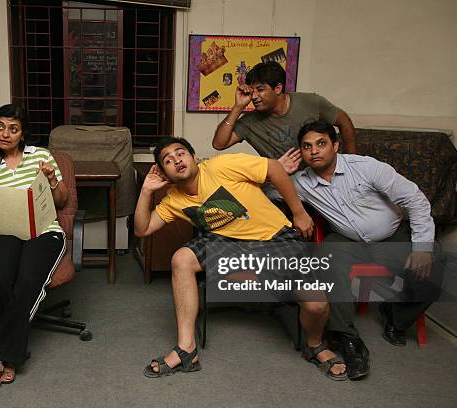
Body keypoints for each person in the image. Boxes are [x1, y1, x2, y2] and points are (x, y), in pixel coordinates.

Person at [135, 136, 349, 381]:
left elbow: (275, 168)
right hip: (226, 244)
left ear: (194, 158)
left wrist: (299, 212)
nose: (177, 160)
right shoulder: (173, 200)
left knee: (317, 305)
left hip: (275, 238)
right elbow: (143, 229)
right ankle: (187, 350)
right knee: (181, 258)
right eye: (168, 160)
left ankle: (315, 345)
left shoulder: (220, 166)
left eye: (181, 153)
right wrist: (146, 191)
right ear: (164, 173)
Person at [277, 120, 443, 379]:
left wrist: (422, 247)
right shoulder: (300, 182)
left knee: (437, 263)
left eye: (321, 143)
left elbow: (415, 200)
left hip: (392, 236)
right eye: (307, 146)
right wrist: (278, 170)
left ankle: (396, 317)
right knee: (325, 263)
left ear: (336, 145)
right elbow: (264, 193)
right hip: (346, 241)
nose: (314, 151)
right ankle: (348, 340)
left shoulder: (366, 167)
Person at [0, 104, 68, 393]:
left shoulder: (40, 155)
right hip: (3, 230)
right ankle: (10, 355)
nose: (5, 133)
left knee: (28, 280)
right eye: (0, 126)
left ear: (22, 133)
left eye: (13, 129)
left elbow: (62, 200)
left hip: (43, 231)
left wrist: (53, 181)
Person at [212, 61, 357, 158]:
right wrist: (238, 107)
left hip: (319, 177)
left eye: (260, 90)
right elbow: (219, 144)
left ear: (278, 88)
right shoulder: (250, 122)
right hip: (283, 184)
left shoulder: (311, 101)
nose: (254, 96)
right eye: (251, 91)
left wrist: (352, 163)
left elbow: (344, 121)